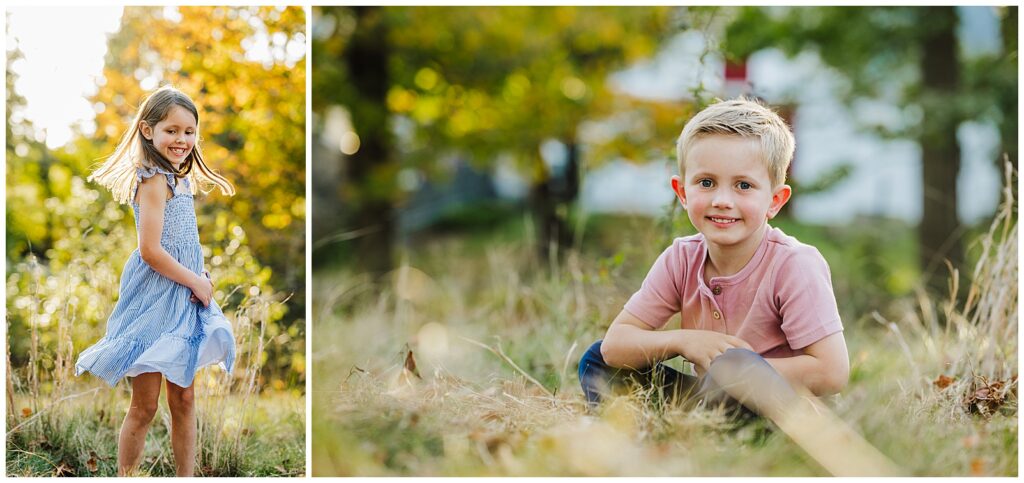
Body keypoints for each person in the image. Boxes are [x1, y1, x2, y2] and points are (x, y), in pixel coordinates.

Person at [579, 97, 850, 421]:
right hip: (708, 396)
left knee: (736, 366)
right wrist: (685, 341)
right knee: (596, 360)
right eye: (706, 183)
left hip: (777, 410)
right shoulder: (681, 258)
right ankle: (678, 428)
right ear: (682, 193)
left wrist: (741, 375)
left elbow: (832, 372)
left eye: (743, 186)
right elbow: (616, 344)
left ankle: (726, 434)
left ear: (775, 200)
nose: (722, 200)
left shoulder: (794, 264)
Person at [75, 85, 237, 476]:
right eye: (172, 130)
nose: (181, 139)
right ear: (148, 131)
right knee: (145, 405)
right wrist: (195, 282)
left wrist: (200, 273)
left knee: (184, 397)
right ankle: (127, 476)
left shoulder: (181, 180)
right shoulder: (152, 180)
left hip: (184, 296)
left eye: (189, 131)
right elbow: (150, 250)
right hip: (153, 300)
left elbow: (183, 243)